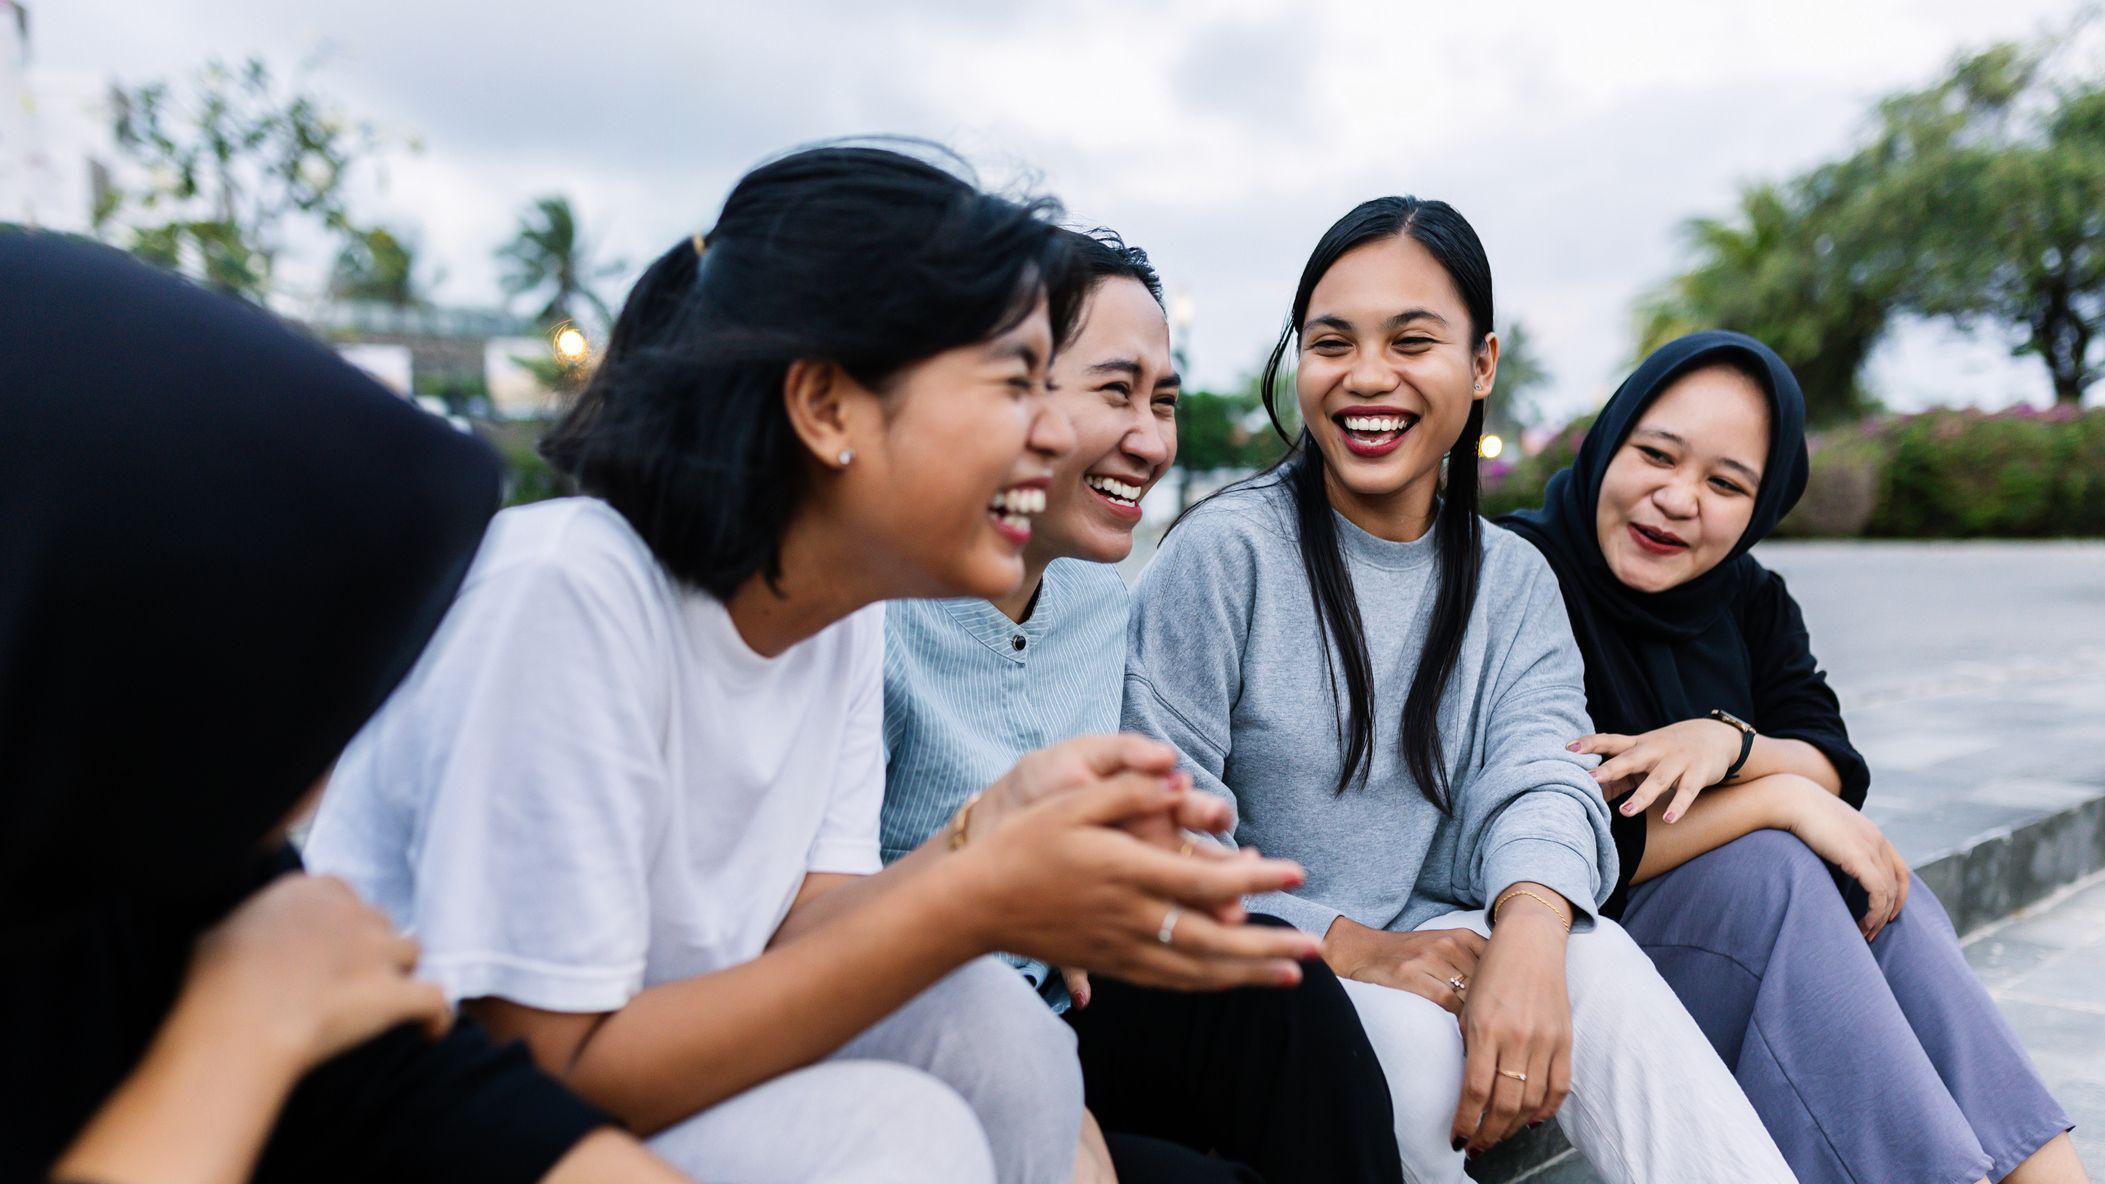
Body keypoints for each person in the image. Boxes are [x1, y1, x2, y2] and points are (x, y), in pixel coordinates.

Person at [304, 144, 1317, 1184]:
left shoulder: (836, 614)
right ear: (827, 407)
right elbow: (536, 1074)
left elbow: (809, 919)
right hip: (442, 1127)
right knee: (892, 1137)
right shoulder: (571, 592)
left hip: (630, 1086)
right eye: (1015, 379)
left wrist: (994, 833)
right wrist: (975, 892)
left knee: (994, 1023)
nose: (1058, 432)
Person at [1121, 196, 1797, 1183]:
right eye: (1329, 341)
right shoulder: (1226, 555)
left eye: (1410, 340)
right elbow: (1162, 834)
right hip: (1277, 976)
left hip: (1456, 929)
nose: (1365, 376)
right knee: (1423, 1052)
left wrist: (1529, 926)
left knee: (1594, 959)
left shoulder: (1512, 577)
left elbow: (1544, 773)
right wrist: (1354, 944)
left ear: (1480, 365)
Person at [1, 233, 685, 1184]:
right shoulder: (236, 948)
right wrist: (240, 1030)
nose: (341, 737)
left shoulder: (182, 876)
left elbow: (446, 1109)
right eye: (293, 680)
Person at [1500, 329, 2086, 1184]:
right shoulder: (1518, 574)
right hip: (1571, 939)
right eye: (1655, 456)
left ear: (1761, 505)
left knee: (1873, 879)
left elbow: (1827, 757)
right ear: (1605, 443)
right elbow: (1561, 840)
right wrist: (1778, 801)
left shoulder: (1746, 595)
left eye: (1723, 483)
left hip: (1707, 932)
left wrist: (1729, 745)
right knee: (1776, 866)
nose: (1676, 498)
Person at [882, 227, 1404, 1184]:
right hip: (906, 1027)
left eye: (1162, 401)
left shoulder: (1093, 601)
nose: (1153, 441)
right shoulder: (871, 608)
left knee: (1279, 985)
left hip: (1063, 999)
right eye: (1115, 392)